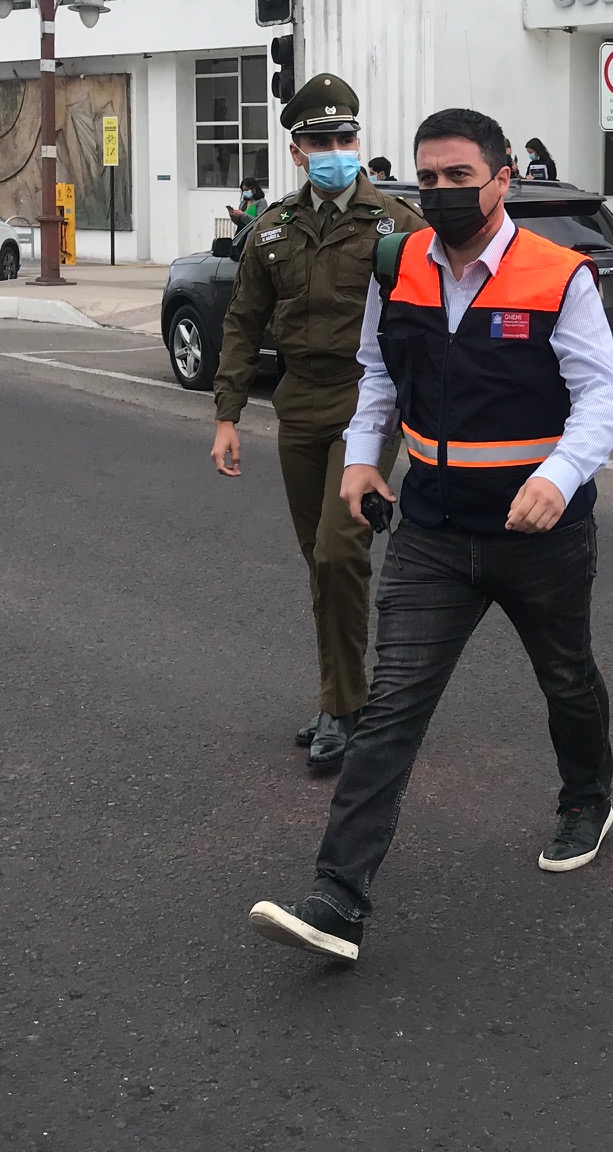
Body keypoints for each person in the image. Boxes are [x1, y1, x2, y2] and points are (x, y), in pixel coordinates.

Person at [248, 107, 613, 965]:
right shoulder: (398, 263)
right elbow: (379, 372)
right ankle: (338, 898)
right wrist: (360, 460)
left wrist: (557, 478)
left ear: (503, 179)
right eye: (428, 179)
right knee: (391, 709)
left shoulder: (558, 275)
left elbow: (603, 395)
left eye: (460, 177)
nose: (443, 193)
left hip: (539, 528)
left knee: (566, 676)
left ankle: (587, 797)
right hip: (431, 524)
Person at [210, 74, 426, 775]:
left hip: (367, 406)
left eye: (345, 138)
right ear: (297, 150)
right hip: (298, 406)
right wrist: (227, 415)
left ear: (357, 142)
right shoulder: (271, 229)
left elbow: (434, 321)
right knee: (320, 560)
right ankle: (345, 693)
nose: (335, 149)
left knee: (339, 552)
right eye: (320, 141)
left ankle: (345, 706)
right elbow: (243, 322)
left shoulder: (397, 226)